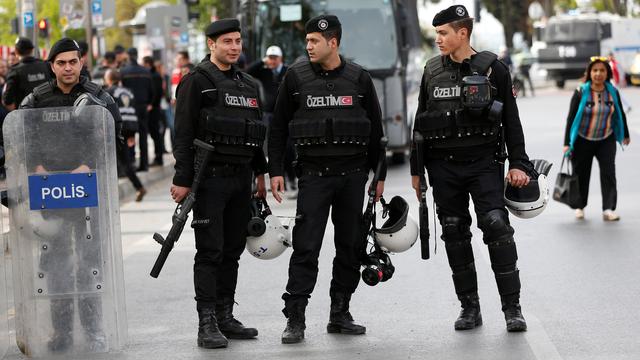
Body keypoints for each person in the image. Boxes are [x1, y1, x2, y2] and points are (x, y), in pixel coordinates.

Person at [411, 5, 531, 332]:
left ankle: (512, 308)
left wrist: (519, 163)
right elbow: (419, 124)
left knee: (497, 227)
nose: (438, 39)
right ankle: (469, 308)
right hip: (443, 167)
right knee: (453, 232)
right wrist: (416, 170)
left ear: (462, 33)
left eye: (443, 33)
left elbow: (512, 120)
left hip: (484, 164)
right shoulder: (431, 71)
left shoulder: (495, 70)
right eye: (436, 33)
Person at [268, 14, 386, 344]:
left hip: (352, 177)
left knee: (349, 247)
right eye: (307, 41)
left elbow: (377, 131)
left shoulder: (359, 79)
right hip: (313, 177)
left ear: (333, 43)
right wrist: (275, 170)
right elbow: (277, 128)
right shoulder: (295, 77)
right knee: (306, 248)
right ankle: (295, 318)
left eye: (314, 41)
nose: (308, 46)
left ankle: (340, 312)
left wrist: (380, 175)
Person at [19, 37, 122, 352]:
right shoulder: (35, 100)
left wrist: (88, 164)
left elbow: (114, 136)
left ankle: (94, 332)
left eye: (73, 61)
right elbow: (19, 135)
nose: (68, 68)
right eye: (61, 62)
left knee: (89, 265)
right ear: (51, 66)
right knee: (56, 265)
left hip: (87, 193)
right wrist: (34, 165)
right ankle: (60, 333)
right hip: (48, 192)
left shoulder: (98, 98)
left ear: (81, 63)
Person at [171, 18, 267, 349]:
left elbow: (254, 132)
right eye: (227, 41)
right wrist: (182, 180)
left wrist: (261, 175)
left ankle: (226, 315)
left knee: (232, 251)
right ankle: (207, 322)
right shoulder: (196, 82)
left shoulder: (248, 84)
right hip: (209, 180)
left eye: (237, 41)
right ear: (212, 45)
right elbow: (182, 133)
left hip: (242, 179)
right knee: (209, 251)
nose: (234, 47)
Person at [563, 57, 631, 221]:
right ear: (589, 73)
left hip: (606, 139)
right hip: (582, 140)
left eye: (602, 70)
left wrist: (625, 134)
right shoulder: (580, 92)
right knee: (581, 174)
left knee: (608, 173)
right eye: (595, 70)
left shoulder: (612, 91)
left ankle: (608, 209)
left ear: (607, 73)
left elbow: (620, 113)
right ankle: (580, 206)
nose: (598, 74)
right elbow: (571, 118)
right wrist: (566, 143)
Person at [245, 45, 297, 193]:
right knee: (272, 148)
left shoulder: (288, 71)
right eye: (270, 58)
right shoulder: (264, 71)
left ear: (280, 58)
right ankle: (279, 177)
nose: (272, 61)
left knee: (287, 148)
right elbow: (248, 72)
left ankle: (291, 177)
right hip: (269, 115)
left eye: (274, 58)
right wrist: (263, 61)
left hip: (285, 115)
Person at [104, 68, 147, 201]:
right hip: (129, 127)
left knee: (112, 162)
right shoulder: (129, 92)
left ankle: (112, 195)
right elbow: (133, 111)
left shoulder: (108, 92)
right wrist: (132, 134)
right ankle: (139, 187)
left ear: (109, 79)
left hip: (116, 129)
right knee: (125, 161)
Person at [120, 47, 153, 171]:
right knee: (143, 136)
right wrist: (149, 102)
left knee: (129, 134)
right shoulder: (146, 71)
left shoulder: (123, 71)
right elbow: (152, 90)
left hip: (129, 107)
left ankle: (131, 163)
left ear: (128, 56)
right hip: (143, 106)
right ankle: (144, 165)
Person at [2, 37, 50, 110]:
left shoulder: (15, 71)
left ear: (16, 51)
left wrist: (18, 112)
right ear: (32, 50)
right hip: (46, 114)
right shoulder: (46, 65)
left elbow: (7, 100)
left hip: (25, 116)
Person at [142, 55, 166, 166]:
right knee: (154, 133)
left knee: (155, 133)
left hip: (154, 108)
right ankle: (158, 156)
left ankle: (159, 157)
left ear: (148, 64)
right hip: (152, 107)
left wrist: (151, 104)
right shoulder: (150, 74)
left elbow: (157, 92)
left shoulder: (154, 75)